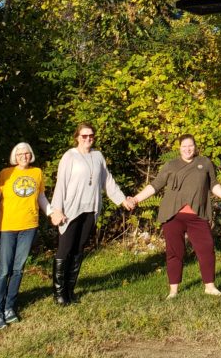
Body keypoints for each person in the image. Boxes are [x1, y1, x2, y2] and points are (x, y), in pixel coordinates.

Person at [131, 134, 221, 297]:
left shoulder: (205, 163)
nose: (188, 149)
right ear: (179, 148)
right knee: (175, 252)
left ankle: (209, 286)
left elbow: (213, 184)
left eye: (191, 146)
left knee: (207, 248)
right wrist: (136, 199)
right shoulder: (171, 165)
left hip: (197, 215)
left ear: (195, 147)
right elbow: (155, 186)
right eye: (184, 146)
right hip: (173, 215)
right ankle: (173, 290)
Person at [49, 122, 130, 305]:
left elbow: (107, 181)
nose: (88, 139)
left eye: (91, 135)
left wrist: (122, 199)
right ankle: (59, 293)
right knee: (65, 249)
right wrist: (57, 210)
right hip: (70, 210)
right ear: (77, 137)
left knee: (78, 250)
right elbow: (60, 184)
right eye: (84, 136)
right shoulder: (69, 156)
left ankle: (70, 290)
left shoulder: (98, 156)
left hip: (90, 209)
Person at [0, 142, 56, 329]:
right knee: (4, 269)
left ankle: (10, 307)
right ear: (14, 156)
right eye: (20, 154)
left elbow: (41, 198)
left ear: (31, 155)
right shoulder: (5, 173)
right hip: (7, 227)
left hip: (29, 226)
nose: (24, 157)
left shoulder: (37, 173)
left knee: (18, 269)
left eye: (27, 153)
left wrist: (51, 213)